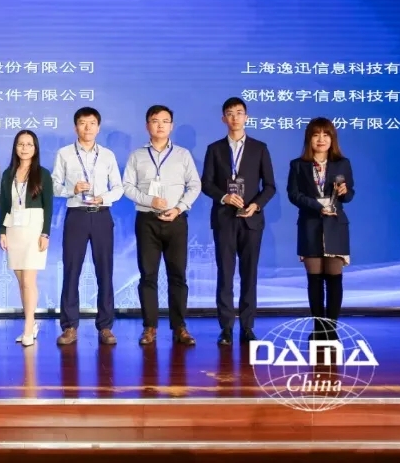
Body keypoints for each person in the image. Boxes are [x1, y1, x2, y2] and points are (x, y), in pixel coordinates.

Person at [122, 105, 201, 347]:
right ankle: (150, 327)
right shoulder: (137, 155)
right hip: (147, 220)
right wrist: (149, 200)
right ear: (147, 125)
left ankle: (179, 327)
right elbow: (127, 187)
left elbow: (195, 185)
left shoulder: (183, 155)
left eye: (165, 121)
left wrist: (179, 208)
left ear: (171, 126)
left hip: (176, 220)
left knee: (178, 275)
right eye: (155, 121)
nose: (160, 125)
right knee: (148, 275)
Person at [200, 98, 276, 346]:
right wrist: (224, 196)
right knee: (225, 274)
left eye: (239, 113)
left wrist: (256, 205)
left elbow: (270, 186)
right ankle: (226, 328)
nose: (235, 117)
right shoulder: (214, 149)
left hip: (251, 220)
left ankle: (247, 326)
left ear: (247, 117)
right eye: (230, 113)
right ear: (224, 119)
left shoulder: (259, 148)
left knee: (249, 274)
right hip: (224, 219)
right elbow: (206, 183)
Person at [51, 107, 123, 346]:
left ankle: (105, 326)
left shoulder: (108, 155)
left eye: (92, 123)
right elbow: (54, 185)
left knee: (105, 271)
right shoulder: (64, 153)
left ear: (98, 127)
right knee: (71, 271)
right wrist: (71, 189)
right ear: (76, 127)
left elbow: (118, 188)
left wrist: (104, 198)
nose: (87, 127)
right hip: (77, 215)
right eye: (82, 123)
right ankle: (69, 326)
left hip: (102, 215)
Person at [286, 117, 354, 340]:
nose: (321, 139)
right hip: (310, 225)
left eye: (326, 135)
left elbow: (350, 195)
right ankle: (318, 329)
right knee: (314, 281)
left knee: (334, 279)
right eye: (316, 135)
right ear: (309, 139)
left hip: (335, 226)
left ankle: (331, 330)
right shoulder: (298, 165)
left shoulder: (342, 163)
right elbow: (293, 195)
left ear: (332, 139)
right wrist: (317, 206)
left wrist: (344, 192)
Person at [0, 130, 53, 347]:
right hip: (14, 228)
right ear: (15, 147)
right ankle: (31, 323)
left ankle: (29, 327)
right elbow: (4, 204)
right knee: (21, 282)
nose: (25, 148)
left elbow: (49, 206)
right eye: (21, 144)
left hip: (34, 228)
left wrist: (45, 233)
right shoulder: (8, 174)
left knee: (29, 281)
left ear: (35, 148)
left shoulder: (43, 173)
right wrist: (2, 231)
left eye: (29, 144)